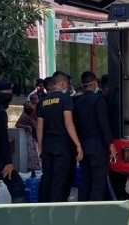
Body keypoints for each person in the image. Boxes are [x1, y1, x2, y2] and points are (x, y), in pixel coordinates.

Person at [37, 71, 83, 202]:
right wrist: (78, 144)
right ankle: (56, 208)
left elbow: (39, 127)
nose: (68, 87)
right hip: (62, 146)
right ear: (62, 84)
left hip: (47, 145)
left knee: (47, 177)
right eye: (67, 84)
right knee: (59, 178)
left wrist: (40, 148)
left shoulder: (42, 101)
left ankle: (43, 206)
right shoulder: (66, 99)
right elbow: (68, 123)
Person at [73, 71, 117, 201]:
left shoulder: (77, 102)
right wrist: (111, 145)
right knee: (98, 183)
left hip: (83, 148)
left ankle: (81, 209)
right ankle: (95, 211)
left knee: (85, 181)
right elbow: (103, 123)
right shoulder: (98, 99)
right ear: (94, 83)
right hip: (97, 149)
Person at [100, 74, 129, 200]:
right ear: (105, 87)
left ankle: (120, 191)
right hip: (107, 140)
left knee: (121, 169)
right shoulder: (101, 100)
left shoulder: (114, 98)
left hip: (117, 137)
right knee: (111, 171)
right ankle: (112, 194)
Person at [15, 101, 41, 172]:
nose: (30, 108)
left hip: (35, 137)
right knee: (32, 155)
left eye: (30, 107)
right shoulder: (24, 116)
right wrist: (27, 127)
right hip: (30, 138)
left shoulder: (31, 115)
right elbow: (17, 124)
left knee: (36, 154)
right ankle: (32, 169)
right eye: (28, 107)